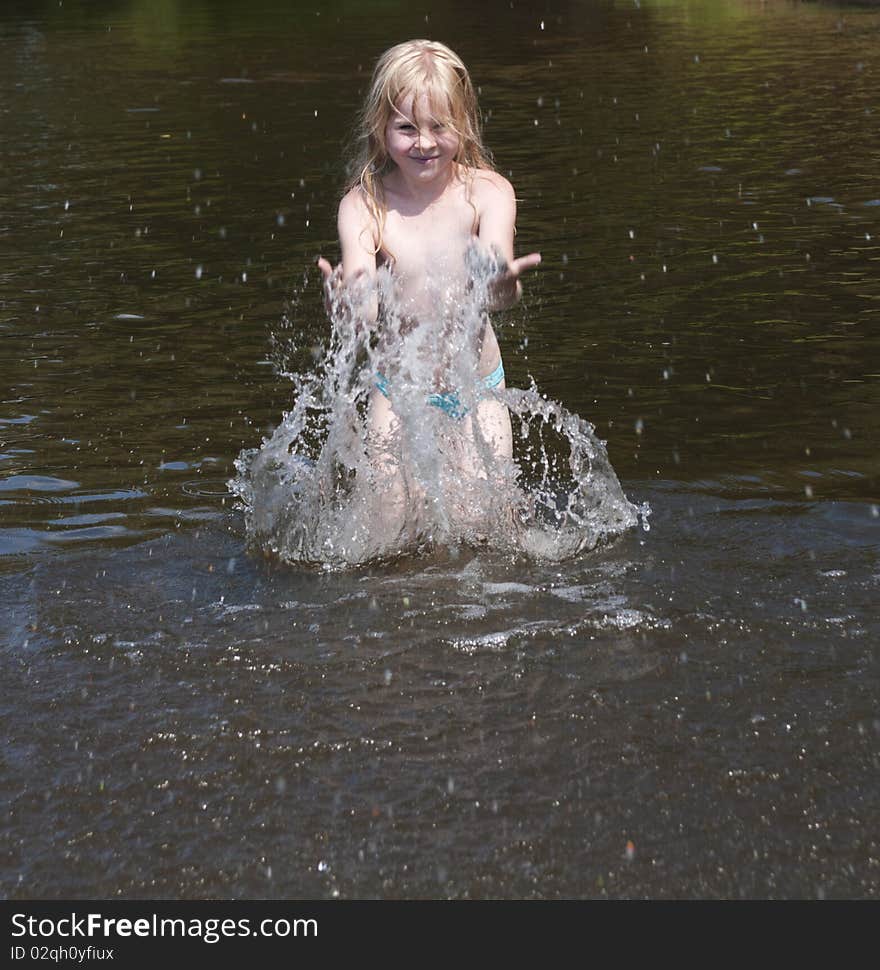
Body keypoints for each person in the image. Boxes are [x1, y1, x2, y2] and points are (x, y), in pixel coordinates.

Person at [317, 39, 541, 536]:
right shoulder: (365, 205)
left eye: (440, 126)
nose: (424, 142)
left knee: (483, 527)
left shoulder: (488, 193)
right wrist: (347, 305)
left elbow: (498, 293)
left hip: (477, 391)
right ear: (381, 128)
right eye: (406, 127)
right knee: (386, 528)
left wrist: (502, 284)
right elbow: (368, 302)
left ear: (464, 124)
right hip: (395, 392)